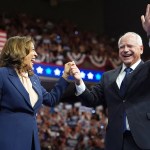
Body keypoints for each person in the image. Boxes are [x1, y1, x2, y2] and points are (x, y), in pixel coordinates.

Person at [70, 4, 150, 150]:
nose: (125, 50)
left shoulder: (147, 70)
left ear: (141, 49)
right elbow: (91, 100)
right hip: (115, 141)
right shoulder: (108, 76)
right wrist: (78, 80)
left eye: (130, 46)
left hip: (144, 139)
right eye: (121, 47)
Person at [0, 35, 73, 150]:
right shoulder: (2, 74)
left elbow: (51, 99)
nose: (36, 54)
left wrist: (65, 76)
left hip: (31, 141)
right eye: (32, 50)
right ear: (20, 51)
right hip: (8, 140)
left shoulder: (34, 79)